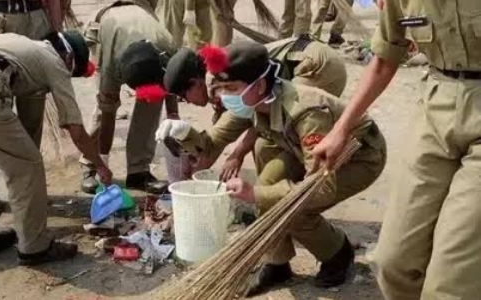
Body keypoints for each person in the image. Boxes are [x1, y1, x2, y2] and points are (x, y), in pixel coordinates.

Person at [311, 0, 481, 298]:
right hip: (437, 111)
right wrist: (341, 130)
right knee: (392, 263)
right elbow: (385, 59)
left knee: (451, 281)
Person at [157, 42, 385, 295]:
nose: (224, 96)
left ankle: (337, 253)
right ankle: (278, 264)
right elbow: (210, 145)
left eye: (230, 88)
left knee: (292, 208)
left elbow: (321, 189)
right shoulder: (248, 100)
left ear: (260, 85)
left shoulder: (306, 112)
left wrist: (254, 193)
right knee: (267, 176)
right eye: (221, 88)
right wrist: (183, 133)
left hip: (358, 157)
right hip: (298, 149)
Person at [0, 30, 112, 265]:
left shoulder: (24, 44)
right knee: (27, 167)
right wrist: (99, 165)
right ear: (69, 58)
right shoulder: (56, 62)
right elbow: (75, 129)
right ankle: (34, 247)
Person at [162, 35, 347, 177]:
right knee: (264, 143)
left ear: (195, 83)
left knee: (284, 131)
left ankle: (300, 190)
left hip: (317, 65)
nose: (187, 102)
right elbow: (219, 137)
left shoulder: (220, 80)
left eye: (183, 96)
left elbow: (260, 116)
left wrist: (238, 154)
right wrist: (188, 143)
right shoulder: (222, 85)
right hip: (291, 67)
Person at [79, 1, 179, 194]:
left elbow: (171, 86)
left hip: (142, 31)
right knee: (102, 108)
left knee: (153, 100)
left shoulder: (167, 48)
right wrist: (103, 162)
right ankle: (90, 163)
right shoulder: (112, 65)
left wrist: (173, 120)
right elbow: (108, 112)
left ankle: (138, 172)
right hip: (104, 28)